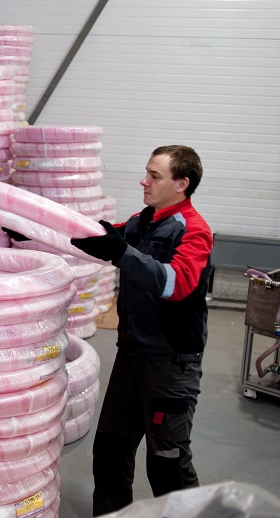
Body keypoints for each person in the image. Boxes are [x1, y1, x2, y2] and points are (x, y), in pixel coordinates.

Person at [68, 145, 214, 515]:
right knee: (110, 450)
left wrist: (120, 252)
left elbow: (176, 283)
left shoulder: (194, 230)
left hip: (169, 364)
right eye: (146, 172)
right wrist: (33, 231)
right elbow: (95, 239)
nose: (143, 181)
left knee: (167, 464)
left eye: (154, 175)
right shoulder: (141, 221)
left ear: (181, 184)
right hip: (131, 356)